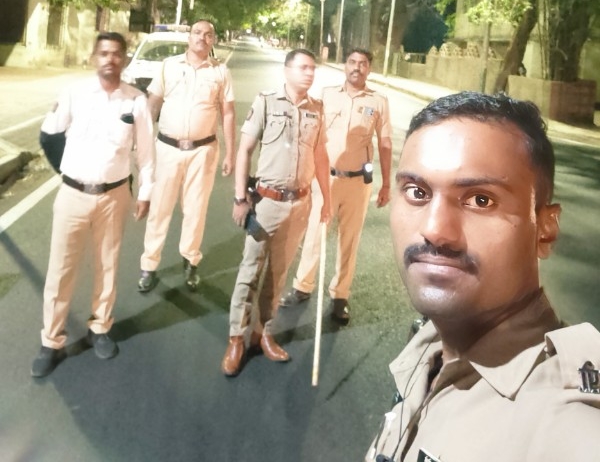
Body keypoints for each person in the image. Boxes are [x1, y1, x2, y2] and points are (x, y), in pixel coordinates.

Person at [366, 91, 600, 462]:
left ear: (545, 230)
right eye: (417, 192)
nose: (435, 230)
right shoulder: (430, 347)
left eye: (480, 200)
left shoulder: (569, 425)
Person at [32, 32, 155, 378]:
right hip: (72, 195)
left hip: (114, 196)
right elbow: (48, 136)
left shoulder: (136, 101)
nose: (110, 59)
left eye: (116, 54)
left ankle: (99, 327)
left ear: (124, 59)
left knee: (108, 264)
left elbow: (146, 154)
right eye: (104, 53)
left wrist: (145, 192)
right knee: (61, 269)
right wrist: (69, 172)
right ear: (94, 58)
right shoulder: (74, 93)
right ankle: (51, 340)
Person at [221, 48, 331, 377]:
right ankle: (236, 338)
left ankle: (262, 333)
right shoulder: (267, 102)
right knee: (250, 272)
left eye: (312, 68)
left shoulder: (317, 109)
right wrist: (240, 198)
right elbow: (244, 150)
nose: (309, 73)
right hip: (267, 203)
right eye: (303, 67)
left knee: (278, 275)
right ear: (287, 70)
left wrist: (326, 198)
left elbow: (321, 155)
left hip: (299, 204)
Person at [280, 47, 392, 324]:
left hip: (358, 182)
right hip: (325, 180)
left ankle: (340, 295)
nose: (357, 67)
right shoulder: (326, 96)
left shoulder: (378, 102)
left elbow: (385, 142)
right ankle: (302, 286)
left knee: (349, 240)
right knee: (314, 234)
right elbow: (311, 136)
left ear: (369, 69)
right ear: (345, 66)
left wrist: (387, 184)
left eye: (363, 63)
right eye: (352, 62)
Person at [138, 19, 235, 293]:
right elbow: (152, 105)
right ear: (189, 37)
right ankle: (149, 265)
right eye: (197, 32)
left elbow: (228, 113)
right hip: (167, 149)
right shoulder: (168, 66)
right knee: (159, 208)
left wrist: (231, 152)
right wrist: (140, 145)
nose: (202, 38)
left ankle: (191, 261)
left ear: (213, 40)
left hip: (203, 151)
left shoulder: (220, 72)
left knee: (195, 210)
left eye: (208, 34)